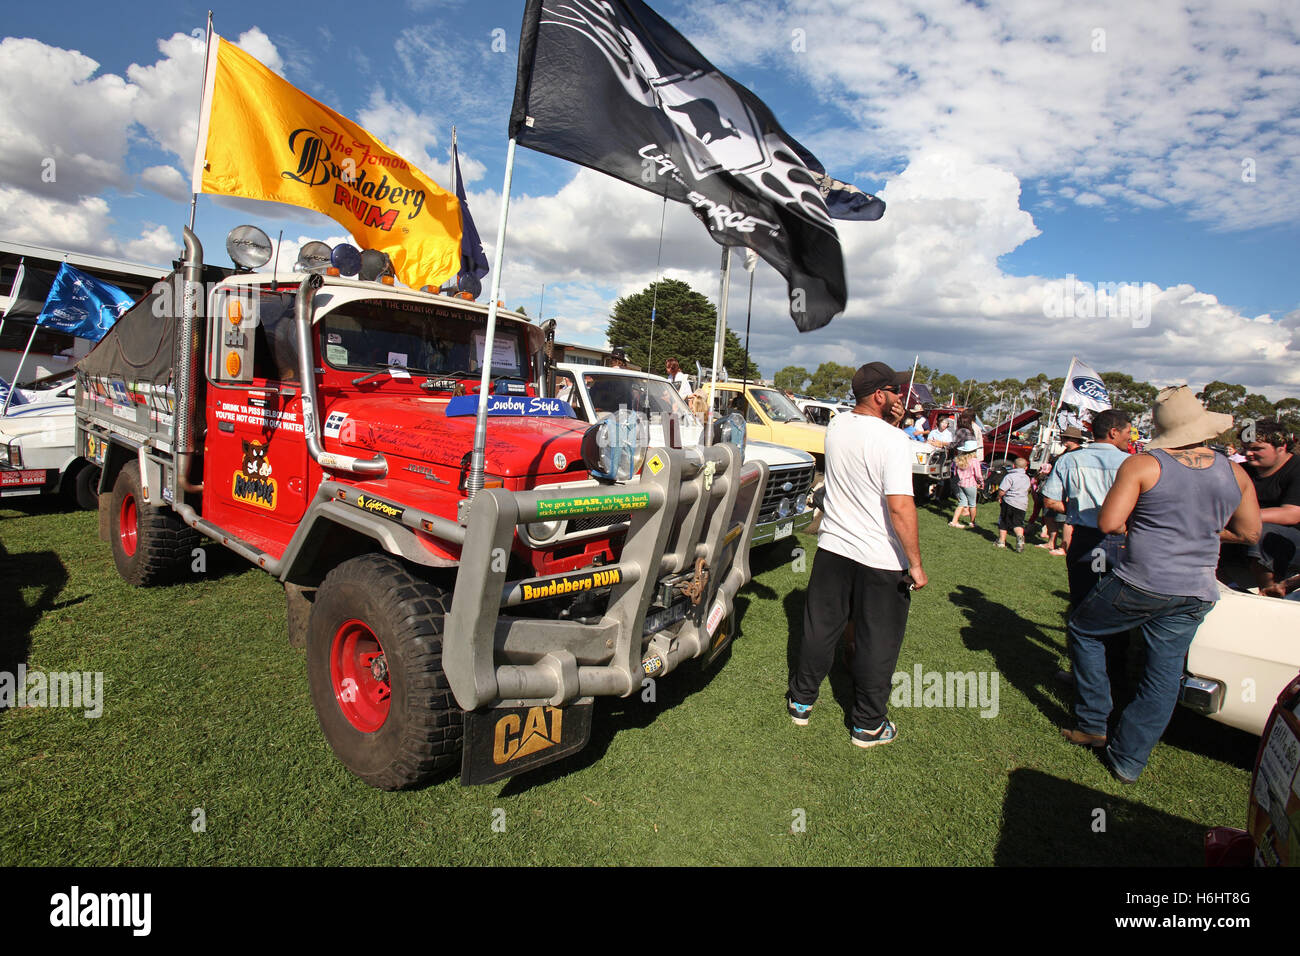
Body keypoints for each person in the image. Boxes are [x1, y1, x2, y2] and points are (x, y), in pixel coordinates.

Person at [1061, 386, 1260, 783]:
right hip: (1198, 588)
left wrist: (1152, 526)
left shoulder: (1143, 465)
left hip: (1143, 580)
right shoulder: (1234, 471)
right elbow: (1251, 531)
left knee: (1083, 628)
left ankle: (1094, 722)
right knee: (1163, 674)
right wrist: (1201, 530)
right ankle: (1128, 760)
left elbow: (1108, 523)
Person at [787, 361, 926, 749]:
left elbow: (867, 447)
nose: (902, 397)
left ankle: (802, 701)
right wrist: (915, 563)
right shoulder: (894, 441)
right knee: (877, 640)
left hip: (834, 547)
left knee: (820, 629)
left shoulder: (838, 426)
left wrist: (894, 426)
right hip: (880, 558)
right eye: (896, 391)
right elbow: (899, 507)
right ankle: (867, 725)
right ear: (880, 396)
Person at [1041, 410, 1131, 608]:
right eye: (1128, 432)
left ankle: (1082, 637)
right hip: (1118, 540)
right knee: (1114, 604)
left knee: (1082, 600)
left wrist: (1077, 509)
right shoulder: (1131, 463)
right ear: (1114, 432)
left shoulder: (1069, 460)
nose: (1130, 437)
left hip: (1083, 537)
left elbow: (1050, 501)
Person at [1231, 421, 1300, 597]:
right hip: (1249, 531)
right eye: (1245, 448)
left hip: (1290, 540)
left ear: (1281, 447)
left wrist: (1243, 516)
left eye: (1257, 449)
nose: (1248, 454)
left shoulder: (1296, 469)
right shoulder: (1241, 470)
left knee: (1259, 532)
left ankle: (1270, 593)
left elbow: (1292, 513)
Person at [996, 457, 1031, 551]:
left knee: (1003, 521)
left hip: (1009, 502)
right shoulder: (1027, 478)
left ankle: (1001, 541)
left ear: (1014, 466)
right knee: (1018, 523)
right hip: (1022, 504)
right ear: (1026, 468)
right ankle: (1020, 538)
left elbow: (1002, 490)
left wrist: (999, 497)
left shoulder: (1009, 476)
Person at [948, 439, 982, 528]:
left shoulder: (958, 459)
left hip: (960, 483)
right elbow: (978, 475)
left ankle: (954, 521)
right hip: (970, 484)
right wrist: (981, 482)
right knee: (972, 504)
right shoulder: (974, 461)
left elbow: (955, 473)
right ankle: (972, 522)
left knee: (962, 502)